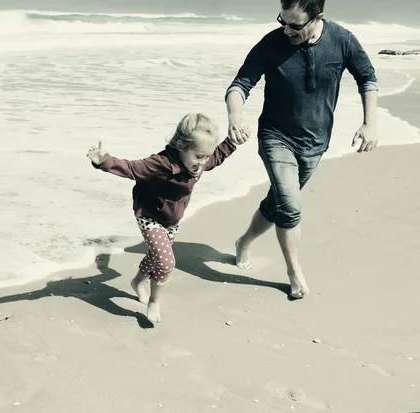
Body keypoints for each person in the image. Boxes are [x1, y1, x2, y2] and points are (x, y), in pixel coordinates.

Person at [224, 0, 378, 299]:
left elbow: (367, 78)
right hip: (275, 137)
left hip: (316, 143)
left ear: (318, 17)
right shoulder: (271, 44)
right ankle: (294, 272)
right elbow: (240, 85)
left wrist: (369, 124)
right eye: (282, 20)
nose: (286, 29)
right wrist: (235, 116)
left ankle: (243, 242)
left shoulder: (342, 39)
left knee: (279, 202)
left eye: (295, 25)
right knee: (291, 205)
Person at [87, 113, 239, 323]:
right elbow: (132, 168)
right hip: (149, 214)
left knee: (155, 256)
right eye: (198, 156)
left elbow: (217, 156)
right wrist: (104, 161)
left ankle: (138, 282)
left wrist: (232, 142)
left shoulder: (200, 161)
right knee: (166, 261)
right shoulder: (161, 163)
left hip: (172, 219)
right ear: (180, 146)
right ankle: (155, 301)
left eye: (206, 156)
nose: (203, 162)